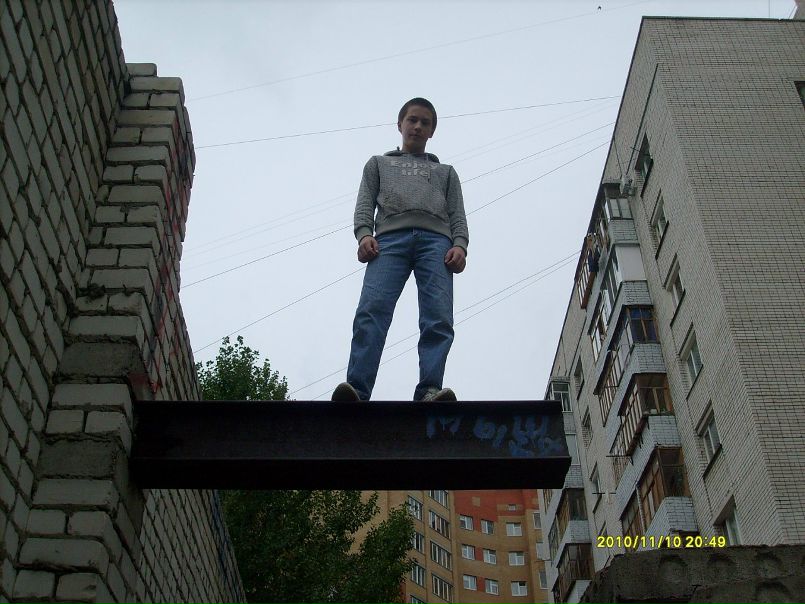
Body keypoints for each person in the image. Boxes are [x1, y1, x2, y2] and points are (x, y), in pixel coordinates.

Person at [332, 97, 469, 402]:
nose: (417, 126)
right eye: (412, 120)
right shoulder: (378, 164)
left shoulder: (446, 172)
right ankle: (357, 390)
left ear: (432, 131)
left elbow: (458, 215)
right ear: (400, 124)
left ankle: (430, 390)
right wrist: (364, 235)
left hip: (437, 244)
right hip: (388, 241)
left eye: (425, 122)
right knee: (371, 310)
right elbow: (364, 204)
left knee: (438, 317)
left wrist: (460, 245)